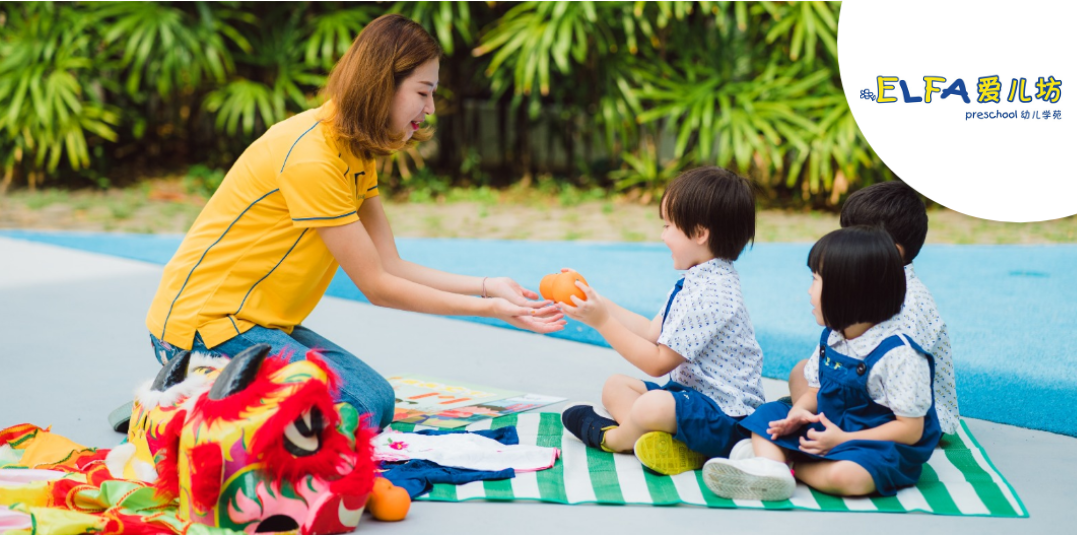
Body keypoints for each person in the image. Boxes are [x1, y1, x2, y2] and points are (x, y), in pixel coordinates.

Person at [142, 14, 564, 430]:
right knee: (361, 405)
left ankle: (207, 402)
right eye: (423, 91)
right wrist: (491, 310)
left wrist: (489, 286)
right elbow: (377, 287)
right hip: (202, 332)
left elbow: (390, 265)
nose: (430, 108)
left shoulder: (355, 150)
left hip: (251, 325)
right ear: (384, 84)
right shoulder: (312, 157)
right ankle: (188, 402)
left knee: (373, 400)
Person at [704, 226, 941, 501]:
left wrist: (843, 440)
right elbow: (817, 391)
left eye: (816, 280)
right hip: (831, 425)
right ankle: (771, 463)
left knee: (848, 478)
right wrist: (798, 414)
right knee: (770, 416)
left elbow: (910, 430)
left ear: (849, 292)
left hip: (875, 443)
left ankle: (784, 466)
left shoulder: (900, 354)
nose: (808, 291)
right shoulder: (834, 337)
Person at [558, 167, 765, 475]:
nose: (662, 235)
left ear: (699, 233)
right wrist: (599, 303)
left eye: (668, 226)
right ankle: (666, 442)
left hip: (727, 420)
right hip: (690, 400)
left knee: (651, 406)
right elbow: (652, 332)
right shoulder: (696, 279)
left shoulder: (714, 292)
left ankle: (615, 438)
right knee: (616, 386)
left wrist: (602, 322)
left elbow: (657, 362)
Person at [786, 181, 959, 435]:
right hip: (867, 391)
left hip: (913, 413)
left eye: (856, 236)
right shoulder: (867, 284)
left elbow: (902, 377)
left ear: (892, 251)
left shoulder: (911, 303)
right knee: (802, 372)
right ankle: (821, 428)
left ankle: (836, 436)